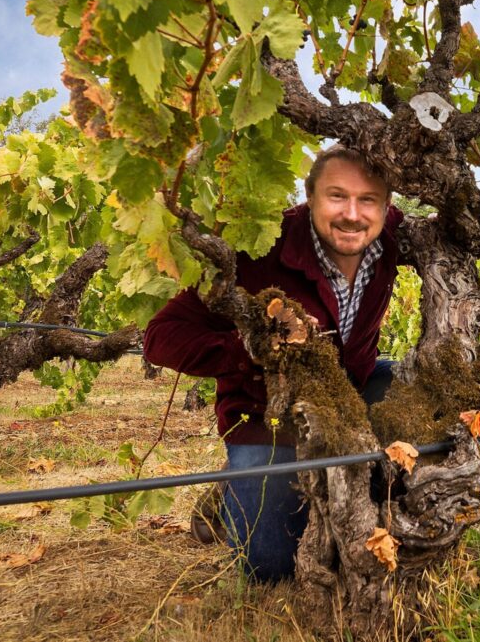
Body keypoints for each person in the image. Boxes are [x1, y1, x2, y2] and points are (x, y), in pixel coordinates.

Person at [143, 146, 402, 582]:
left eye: (368, 200)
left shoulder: (389, 238)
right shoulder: (259, 247)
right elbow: (159, 338)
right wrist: (254, 349)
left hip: (348, 397)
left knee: (409, 385)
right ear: (310, 197)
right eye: (336, 196)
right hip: (269, 419)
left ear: (385, 205)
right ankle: (231, 485)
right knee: (268, 568)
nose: (352, 214)